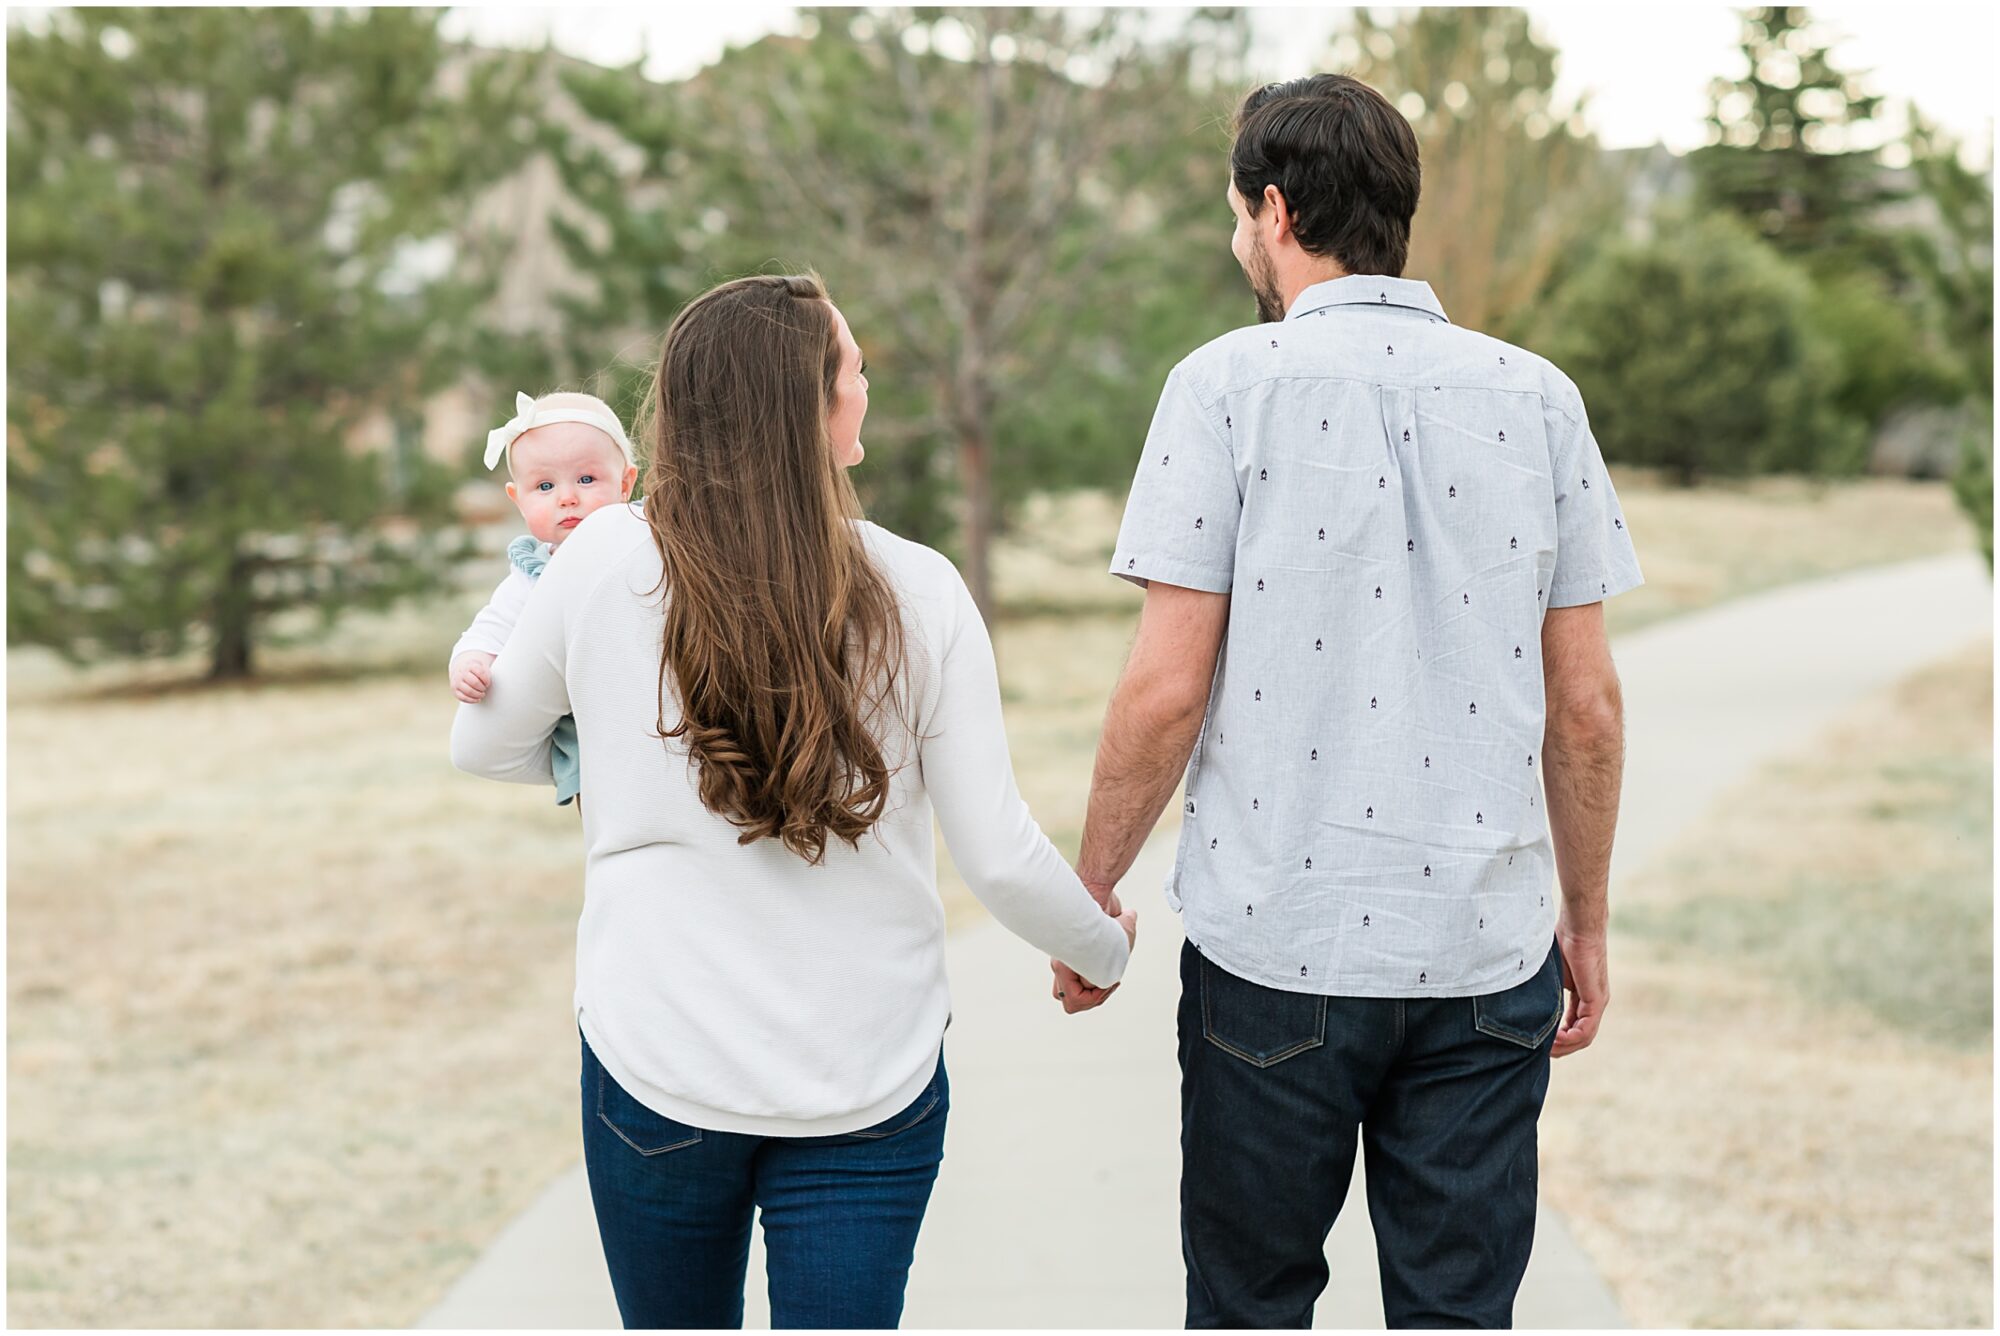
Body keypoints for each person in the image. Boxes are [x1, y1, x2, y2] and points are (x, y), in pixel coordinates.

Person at [1055, 74, 1644, 1328]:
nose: (1233, 240)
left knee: (1249, 1309)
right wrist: (1582, 922)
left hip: (1276, 951)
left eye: (1233, 214)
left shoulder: (1221, 386)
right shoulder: (1538, 398)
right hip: (1484, 960)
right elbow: (1585, 705)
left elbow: (1164, 690)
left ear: (1275, 210)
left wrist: (1088, 890)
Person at [449, 273, 1135, 1329]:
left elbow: (485, 744)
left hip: (657, 1059)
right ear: (812, 407)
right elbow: (997, 855)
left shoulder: (600, 562)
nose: (865, 382)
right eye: (852, 369)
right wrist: (1101, 948)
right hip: (863, 1079)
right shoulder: (921, 589)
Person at [448, 390, 641, 808]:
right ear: (518, 500)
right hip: (588, 737)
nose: (567, 497)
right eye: (545, 486)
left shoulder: (646, 545)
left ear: (626, 483)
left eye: (587, 480)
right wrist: (471, 663)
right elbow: (489, 629)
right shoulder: (531, 576)